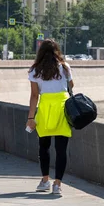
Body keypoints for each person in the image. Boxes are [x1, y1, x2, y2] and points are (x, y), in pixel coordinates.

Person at [27, 39, 73, 196]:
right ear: (57, 51)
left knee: (44, 146)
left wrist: (30, 117)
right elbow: (71, 85)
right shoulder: (65, 67)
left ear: (40, 52)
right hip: (62, 108)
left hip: (45, 108)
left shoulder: (35, 70)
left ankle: (45, 180)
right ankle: (57, 184)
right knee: (61, 149)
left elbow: (34, 95)